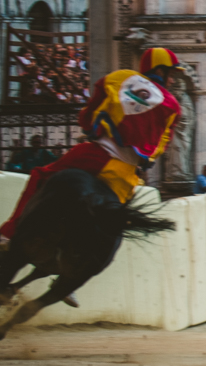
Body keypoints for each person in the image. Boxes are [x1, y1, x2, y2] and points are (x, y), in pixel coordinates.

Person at [0, 47, 183, 242]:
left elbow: (89, 112)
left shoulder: (121, 77)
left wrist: (90, 127)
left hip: (95, 155)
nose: (171, 81)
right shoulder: (173, 106)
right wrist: (145, 160)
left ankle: (8, 234)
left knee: (40, 176)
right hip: (125, 177)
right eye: (171, 75)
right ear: (160, 71)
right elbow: (161, 145)